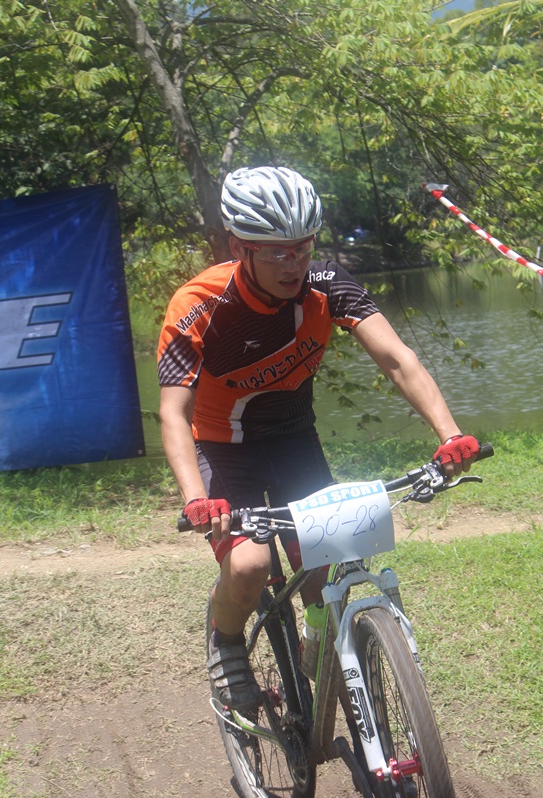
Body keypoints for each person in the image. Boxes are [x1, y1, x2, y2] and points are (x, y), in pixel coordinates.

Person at [157, 166, 480, 711]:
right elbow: (173, 413)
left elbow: (397, 359)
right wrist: (195, 498)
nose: (294, 264)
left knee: (327, 566)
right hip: (221, 449)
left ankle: (321, 649)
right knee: (250, 567)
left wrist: (450, 435)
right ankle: (226, 640)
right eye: (277, 253)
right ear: (239, 248)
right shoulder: (199, 305)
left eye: (303, 248)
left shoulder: (328, 285)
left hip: (292, 440)